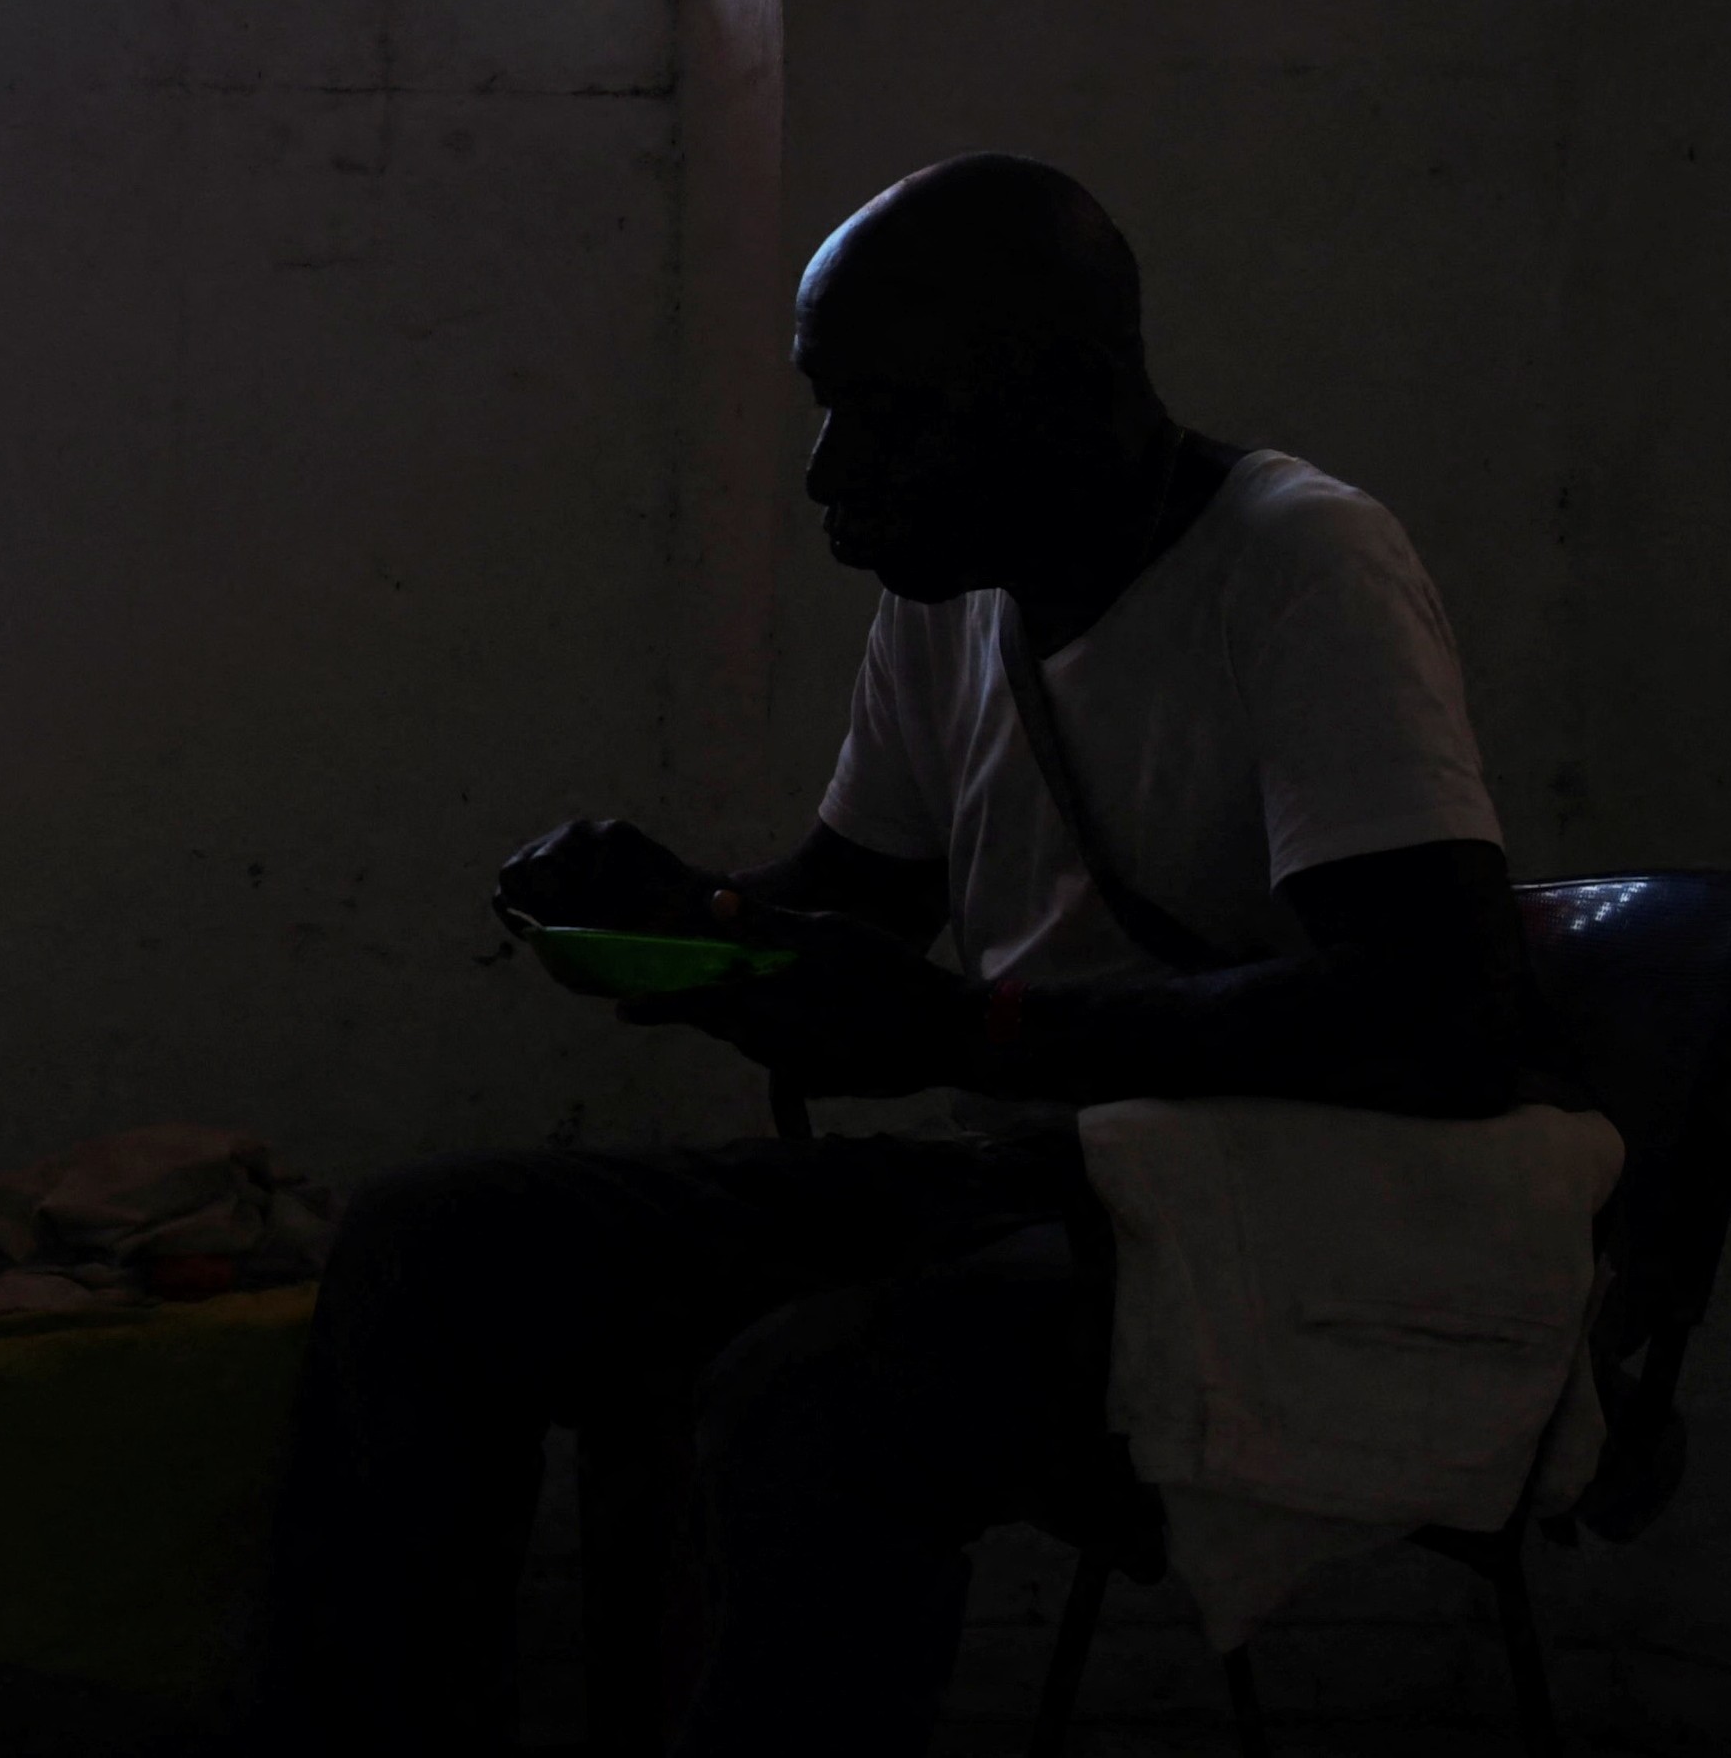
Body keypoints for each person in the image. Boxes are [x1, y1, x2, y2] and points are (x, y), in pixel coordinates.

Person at [271, 155, 1557, 1756]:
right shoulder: (956, 599)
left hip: (1249, 1232)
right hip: (1028, 1191)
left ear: (1066, 398)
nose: (827, 474)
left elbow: (1439, 1015)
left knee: (813, 1406)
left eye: (882, 417)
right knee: (431, 1247)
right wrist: (684, 917)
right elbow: (856, 912)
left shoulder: (1300, 564)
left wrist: (987, 1038)